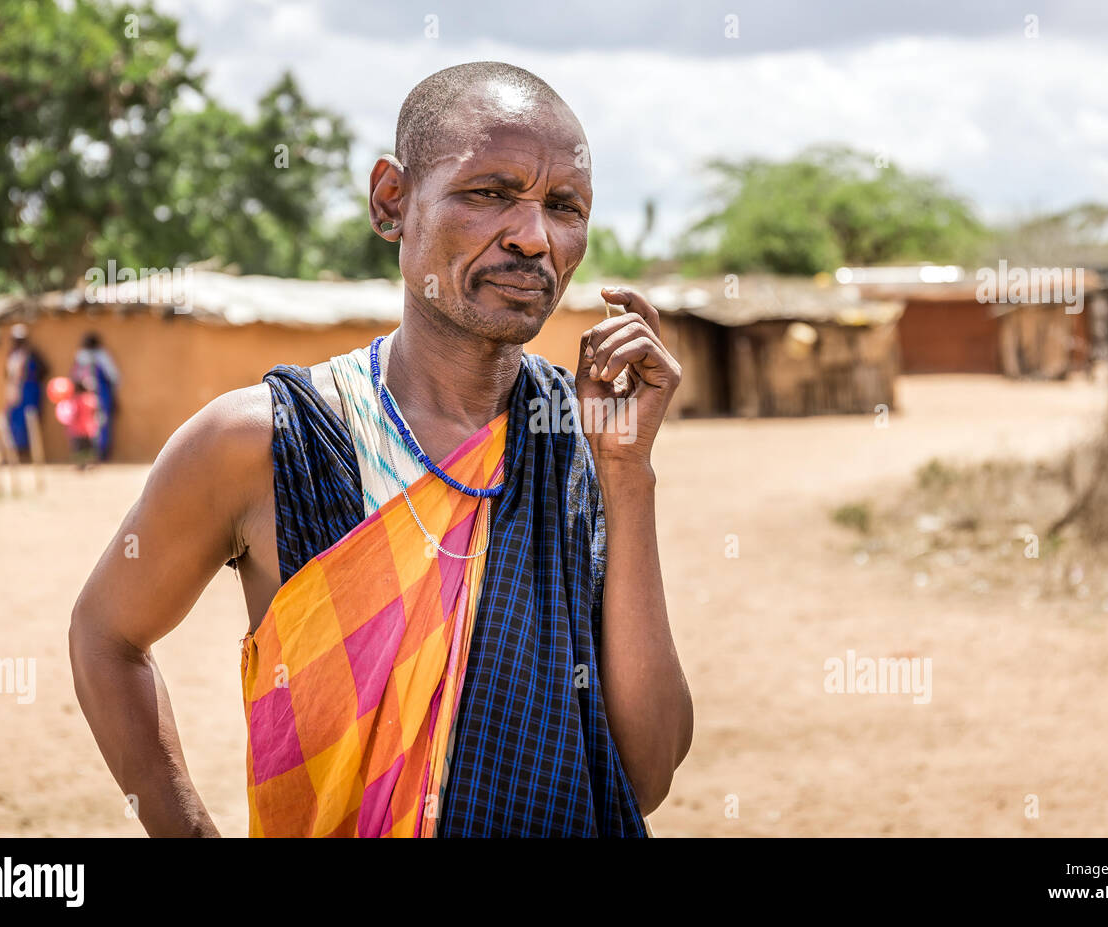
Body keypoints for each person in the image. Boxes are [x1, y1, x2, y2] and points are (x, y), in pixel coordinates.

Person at [70, 61, 693, 838]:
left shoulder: (581, 443)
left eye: (564, 207)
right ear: (391, 201)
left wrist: (629, 476)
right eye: (490, 192)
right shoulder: (267, 442)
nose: (534, 238)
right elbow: (106, 635)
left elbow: (646, 771)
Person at [70, 333, 120, 461]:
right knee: (88, 427)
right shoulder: (85, 357)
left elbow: (113, 378)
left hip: (99, 397)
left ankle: (97, 455)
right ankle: (89, 457)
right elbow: (114, 378)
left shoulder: (100, 357)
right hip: (91, 399)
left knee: (98, 425)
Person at [4, 324, 48, 456]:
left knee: (30, 421)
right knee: (14, 421)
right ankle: (16, 450)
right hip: (15, 393)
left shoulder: (31, 355)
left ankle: (30, 451)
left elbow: (44, 370)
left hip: (29, 392)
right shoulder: (12, 355)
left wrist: (29, 381)